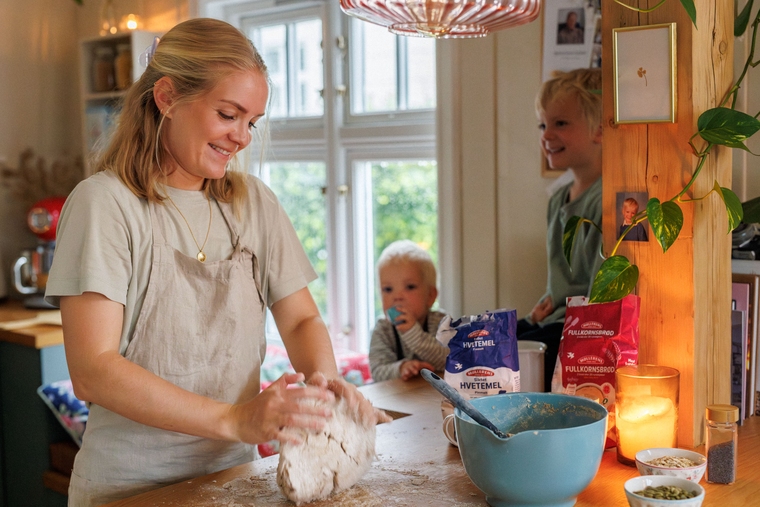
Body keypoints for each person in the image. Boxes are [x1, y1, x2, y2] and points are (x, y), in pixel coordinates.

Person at [44, 18, 389, 506]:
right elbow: (94, 370)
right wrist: (234, 419)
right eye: (228, 114)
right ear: (167, 97)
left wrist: (323, 382)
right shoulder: (105, 204)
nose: (242, 137)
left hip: (235, 481)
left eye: (251, 122)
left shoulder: (254, 203)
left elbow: (303, 317)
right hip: (128, 489)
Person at [517, 68, 603, 391]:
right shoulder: (558, 200)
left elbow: (599, 296)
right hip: (554, 321)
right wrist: (541, 309)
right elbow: (560, 281)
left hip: (581, 333)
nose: (546, 135)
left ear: (600, 131)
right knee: (497, 343)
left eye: (561, 124)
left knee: (524, 352)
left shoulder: (605, 199)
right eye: (543, 124)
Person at [369, 240, 448, 382]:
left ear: (430, 296)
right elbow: (377, 372)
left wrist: (413, 333)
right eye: (388, 289)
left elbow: (450, 361)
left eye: (410, 287)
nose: (397, 297)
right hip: (396, 400)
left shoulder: (441, 323)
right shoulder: (383, 329)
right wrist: (401, 368)